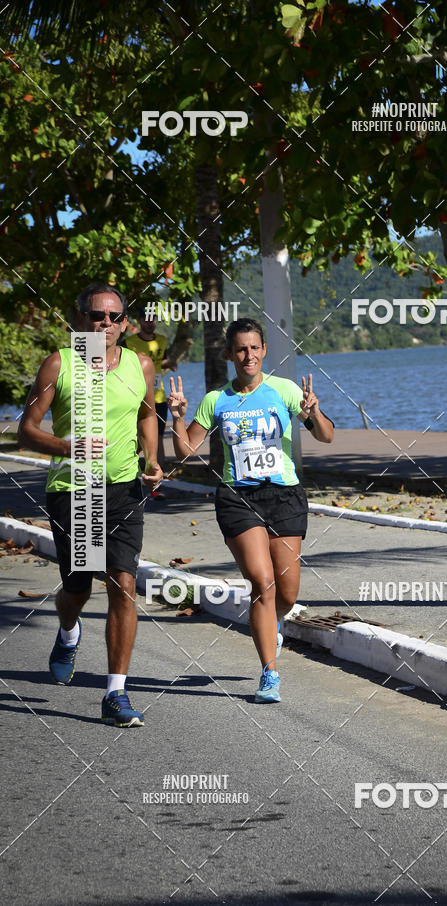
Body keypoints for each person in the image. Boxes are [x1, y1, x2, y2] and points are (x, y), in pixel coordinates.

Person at [167, 317, 334, 703]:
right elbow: (186, 452)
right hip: (237, 498)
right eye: (240, 349)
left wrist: (312, 413)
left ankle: (271, 622)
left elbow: (326, 436)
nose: (248, 355)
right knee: (262, 583)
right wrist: (176, 418)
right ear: (229, 354)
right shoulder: (216, 400)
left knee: (287, 595)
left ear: (263, 351)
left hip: (284, 496)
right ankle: (269, 673)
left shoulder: (285, 390)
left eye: (254, 348)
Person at [18, 282, 163, 727]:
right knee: (78, 588)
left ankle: (115, 693)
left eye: (114, 317)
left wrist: (153, 460)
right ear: (81, 319)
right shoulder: (59, 364)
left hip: (122, 489)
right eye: (97, 316)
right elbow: (26, 429)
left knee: (123, 583)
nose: (106, 324)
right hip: (74, 490)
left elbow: (145, 414)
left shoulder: (140, 363)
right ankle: (68, 632)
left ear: (125, 323)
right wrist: (67, 447)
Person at [124, 307, 175, 471]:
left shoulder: (162, 340)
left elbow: (162, 360)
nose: (149, 322)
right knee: (137, 436)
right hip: (135, 397)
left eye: (153, 319)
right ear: (139, 320)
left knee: (158, 436)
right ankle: (125, 462)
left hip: (158, 397)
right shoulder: (129, 343)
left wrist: (170, 364)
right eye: (146, 319)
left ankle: (161, 475)